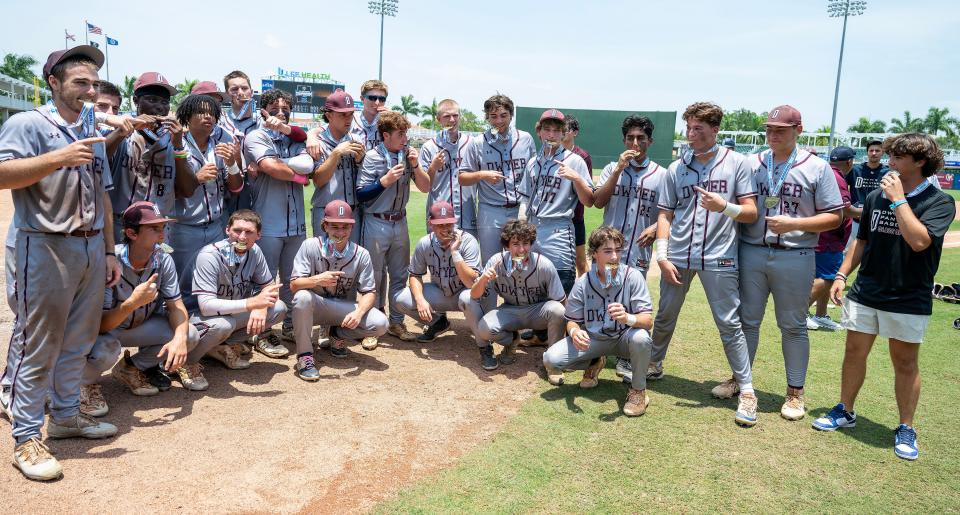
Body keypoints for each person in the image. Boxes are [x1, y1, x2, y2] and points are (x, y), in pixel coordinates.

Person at [0, 45, 121, 481]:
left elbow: (104, 194)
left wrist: (109, 250)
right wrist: (58, 157)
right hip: (46, 243)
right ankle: (26, 437)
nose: (89, 91)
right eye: (79, 83)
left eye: (93, 83)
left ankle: (67, 416)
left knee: (79, 339)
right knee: (38, 343)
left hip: (90, 246)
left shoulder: (88, 126)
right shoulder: (27, 123)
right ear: (53, 83)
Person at [813, 133, 955, 461]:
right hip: (867, 291)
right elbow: (861, 241)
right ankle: (845, 410)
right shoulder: (877, 195)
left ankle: (906, 426)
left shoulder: (939, 202)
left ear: (920, 162)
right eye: (890, 156)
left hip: (908, 295)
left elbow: (919, 242)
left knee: (905, 363)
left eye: (898, 157)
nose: (890, 162)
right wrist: (840, 274)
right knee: (853, 352)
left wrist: (899, 200)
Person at [648, 102, 760, 427]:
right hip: (679, 254)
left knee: (729, 323)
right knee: (666, 313)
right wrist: (662, 255)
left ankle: (747, 391)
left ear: (715, 130)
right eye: (689, 128)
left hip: (718, 254)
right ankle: (654, 364)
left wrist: (725, 206)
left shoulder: (737, 163)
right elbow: (665, 213)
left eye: (699, 128)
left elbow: (752, 212)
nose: (692, 134)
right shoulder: (676, 168)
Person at [735, 105, 844, 421]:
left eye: (780, 130)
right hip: (752, 249)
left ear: (798, 130)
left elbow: (834, 217)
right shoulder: (753, 162)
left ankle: (795, 393)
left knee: (793, 326)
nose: (772, 135)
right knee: (747, 321)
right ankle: (741, 382)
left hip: (796, 254)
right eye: (769, 129)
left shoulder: (818, 167)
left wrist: (796, 224)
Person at [81, 202, 201, 418]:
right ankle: (82, 385)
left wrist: (180, 339)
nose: (162, 235)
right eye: (154, 229)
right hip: (107, 331)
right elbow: (101, 325)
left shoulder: (163, 259)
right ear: (131, 233)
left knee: (189, 334)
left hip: (141, 326)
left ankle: (130, 368)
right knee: (106, 350)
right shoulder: (110, 262)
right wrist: (133, 303)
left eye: (163, 228)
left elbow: (175, 306)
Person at [542, 227, 654, 416]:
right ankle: (595, 362)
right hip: (594, 340)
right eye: (608, 251)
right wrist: (575, 333)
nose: (614, 257)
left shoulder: (632, 276)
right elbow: (572, 321)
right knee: (551, 359)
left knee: (641, 338)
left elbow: (648, 320)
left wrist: (628, 317)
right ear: (594, 253)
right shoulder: (584, 282)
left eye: (618, 251)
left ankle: (638, 391)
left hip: (624, 340)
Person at [593, 114, 666, 382]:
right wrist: (617, 171)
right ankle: (597, 351)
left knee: (632, 302)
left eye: (641, 139)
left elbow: (669, 213)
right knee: (601, 296)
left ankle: (625, 353)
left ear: (650, 141)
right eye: (630, 138)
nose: (635, 143)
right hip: (608, 249)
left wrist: (657, 229)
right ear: (623, 140)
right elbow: (598, 202)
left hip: (638, 249)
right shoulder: (613, 166)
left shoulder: (661, 175)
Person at [241, 88, 311, 355]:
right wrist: (293, 172)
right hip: (268, 222)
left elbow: (309, 165)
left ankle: (291, 326)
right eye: (274, 109)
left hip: (295, 224)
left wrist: (284, 164)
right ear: (263, 110)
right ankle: (262, 332)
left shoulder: (293, 137)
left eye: (285, 110)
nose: (280, 113)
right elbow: (271, 168)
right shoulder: (256, 136)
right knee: (265, 280)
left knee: (296, 278)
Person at [289, 201, 388, 380]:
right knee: (302, 297)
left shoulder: (361, 254)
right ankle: (305, 356)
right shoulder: (310, 246)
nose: (340, 232)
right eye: (334, 226)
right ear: (325, 225)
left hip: (342, 312)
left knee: (381, 323)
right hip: (314, 309)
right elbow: (294, 285)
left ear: (351, 227)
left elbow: (369, 292)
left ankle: (337, 334)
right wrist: (317, 279)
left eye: (345, 227)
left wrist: (358, 313)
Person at [356, 111, 431, 347]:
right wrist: (383, 181)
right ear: (386, 135)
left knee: (400, 275)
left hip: (400, 220)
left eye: (406, 133)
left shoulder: (408, 155)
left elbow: (425, 186)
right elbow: (361, 193)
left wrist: (416, 165)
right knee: (375, 276)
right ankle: (373, 324)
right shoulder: (372, 156)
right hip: (376, 219)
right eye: (400, 134)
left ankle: (396, 322)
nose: (404, 138)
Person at [187, 210, 287, 370]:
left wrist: (260, 307)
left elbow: (271, 288)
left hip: (226, 313)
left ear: (258, 235)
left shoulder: (255, 252)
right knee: (223, 325)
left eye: (249, 232)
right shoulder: (209, 256)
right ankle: (186, 362)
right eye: (237, 230)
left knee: (278, 308)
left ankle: (216, 347)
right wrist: (252, 303)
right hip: (194, 316)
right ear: (227, 230)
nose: (242, 237)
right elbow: (206, 307)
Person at [108, 71, 196, 244]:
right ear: (135, 101)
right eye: (152, 100)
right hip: (122, 224)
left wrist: (177, 145)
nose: (159, 107)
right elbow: (96, 160)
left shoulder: (177, 139)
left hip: (159, 224)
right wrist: (122, 131)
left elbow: (188, 190)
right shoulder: (121, 132)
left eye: (164, 102)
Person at [469, 220, 566, 371]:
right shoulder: (496, 262)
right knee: (484, 328)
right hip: (510, 311)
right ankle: (512, 341)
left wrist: (571, 331)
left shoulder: (544, 265)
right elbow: (474, 295)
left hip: (537, 312)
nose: (522, 249)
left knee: (558, 310)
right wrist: (483, 279)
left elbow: (562, 301)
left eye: (526, 243)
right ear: (506, 245)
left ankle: (554, 361)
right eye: (515, 244)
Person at [458, 94, 537, 265]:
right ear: (487, 117)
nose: (498, 120)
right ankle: (491, 292)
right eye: (493, 116)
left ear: (511, 115)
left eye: (503, 115)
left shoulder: (525, 139)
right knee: (490, 263)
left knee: (520, 260)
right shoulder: (477, 142)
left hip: (519, 209)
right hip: (490, 210)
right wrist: (482, 175)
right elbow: (462, 178)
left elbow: (534, 172)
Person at [170, 94, 244, 275]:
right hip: (185, 228)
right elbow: (176, 191)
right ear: (187, 117)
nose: (208, 116)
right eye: (201, 112)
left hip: (215, 226)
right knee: (184, 279)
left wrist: (232, 163)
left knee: (215, 277)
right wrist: (197, 178)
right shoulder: (176, 146)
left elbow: (236, 188)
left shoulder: (220, 147)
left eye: (212, 113)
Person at [524, 109, 594, 294]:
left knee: (561, 289)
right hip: (532, 230)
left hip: (559, 231)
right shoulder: (532, 163)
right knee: (533, 286)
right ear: (539, 132)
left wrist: (577, 179)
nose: (551, 134)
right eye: (547, 129)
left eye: (556, 130)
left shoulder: (575, 161)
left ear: (564, 133)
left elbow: (589, 201)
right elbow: (525, 200)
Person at [220, 70, 308, 215]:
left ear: (251, 92)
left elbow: (298, 135)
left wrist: (312, 136)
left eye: (244, 88)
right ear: (227, 93)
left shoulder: (266, 121)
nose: (240, 92)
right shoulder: (220, 121)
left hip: (259, 184)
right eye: (234, 89)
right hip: (227, 184)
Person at [396, 202, 482, 343]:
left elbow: (471, 283)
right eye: (440, 225)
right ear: (431, 224)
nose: (445, 229)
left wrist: (455, 252)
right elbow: (415, 275)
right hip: (440, 293)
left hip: (466, 293)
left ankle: (483, 344)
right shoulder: (425, 243)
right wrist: (420, 300)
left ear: (454, 222)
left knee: (467, 298)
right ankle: (438, 323)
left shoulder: (468, 242)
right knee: (400, 299)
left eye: (448, 224)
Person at [807, 146, 855, 331]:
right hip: (830, 237)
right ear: (850, 162)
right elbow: (845, 210)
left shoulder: (828, 172)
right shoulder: (836, 177)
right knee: (828, 278)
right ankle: (801, 313)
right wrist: (867, 211)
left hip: (825, 236)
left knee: (823, 275)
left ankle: (820, 315)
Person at [309, 89, 366, 243]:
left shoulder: (357, 140)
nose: (348, 119)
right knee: (323, 259)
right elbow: (318, 180)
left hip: (352, 211)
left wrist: (361, 162)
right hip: (326, 211)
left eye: (350, 114)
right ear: (329, 115)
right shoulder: (317, 143)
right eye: (342, 114)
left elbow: (365, 178)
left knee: (352, 261)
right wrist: (335, 154)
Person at [420, 99, 477, 238]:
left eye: (455, 115)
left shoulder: (472, 143)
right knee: (439, 258)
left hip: (467, 214)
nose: (452, 120)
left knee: (466, 258)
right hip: (440, 215)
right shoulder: (429, 147)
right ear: (438, 119)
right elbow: (424, 186)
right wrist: (433, 168)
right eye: (447, 116)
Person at [561, 115, 592, 277]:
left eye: (565, 130)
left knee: (580, 262)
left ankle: (586, 295)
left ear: (575, 133)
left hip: (575, 217)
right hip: (555, 219)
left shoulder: (582, 157)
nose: (562, 133)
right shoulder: (552, 153)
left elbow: (588, 189)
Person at [844, 139, 886, 249]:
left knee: (873, 253)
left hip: (876, 220)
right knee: (847, 253)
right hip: (855, 220)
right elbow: (841, 188)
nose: (874, 153)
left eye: (877, 150)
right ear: (867, 152)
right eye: (871, 150)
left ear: (882, 152)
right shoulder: (855, 170)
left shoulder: (887, 172)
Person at [351, 79, 390, 150]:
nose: (377, 102)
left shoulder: (388, 121)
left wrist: (392, 122)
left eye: (382, 99)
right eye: (372, 98)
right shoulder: (351, 119)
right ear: (362, 99)